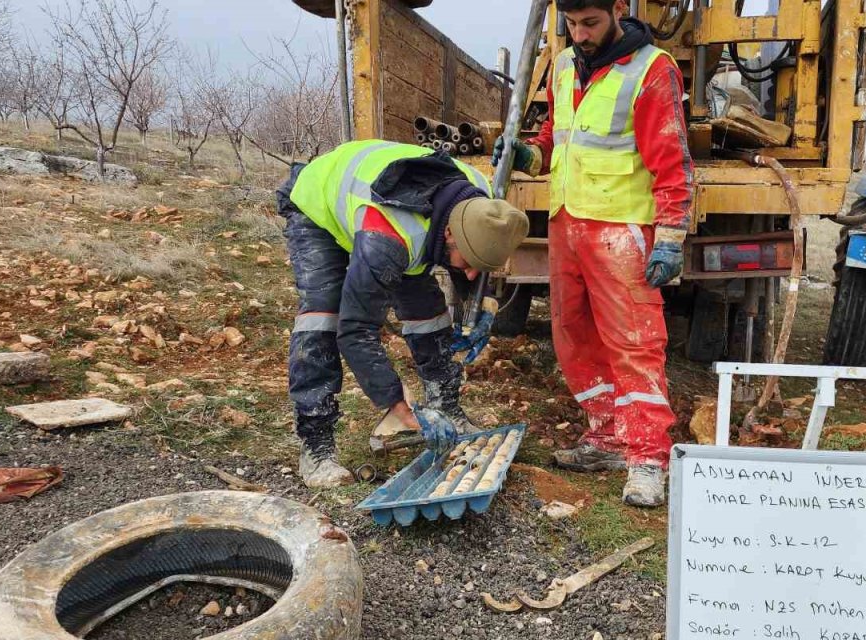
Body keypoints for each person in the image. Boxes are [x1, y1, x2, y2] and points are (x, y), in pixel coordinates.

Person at [492, 0, 694, 507]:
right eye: (572, 25)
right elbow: (553, 139)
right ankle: (607, 436)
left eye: (591, 23)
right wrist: (527, 155)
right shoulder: (563, 66)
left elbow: (672, 163)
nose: (580, 35)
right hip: (567, 223)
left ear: (618, 10)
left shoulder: (651, 69)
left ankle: (648, 457)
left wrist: (669, 238)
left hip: (620, 229)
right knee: (573, 335)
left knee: (634, 342)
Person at [277, 140, 530, 488]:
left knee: (428, 310)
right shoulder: (391, 237)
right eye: (468, 264)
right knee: (324, 316)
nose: (470, 274)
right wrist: (396, 401)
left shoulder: (481, 202)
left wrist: (482, 304)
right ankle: (316, 444)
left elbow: (474, 263)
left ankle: (447, 407)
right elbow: (355, 330)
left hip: (403, 216)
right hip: (317, 204)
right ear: (448, 234)